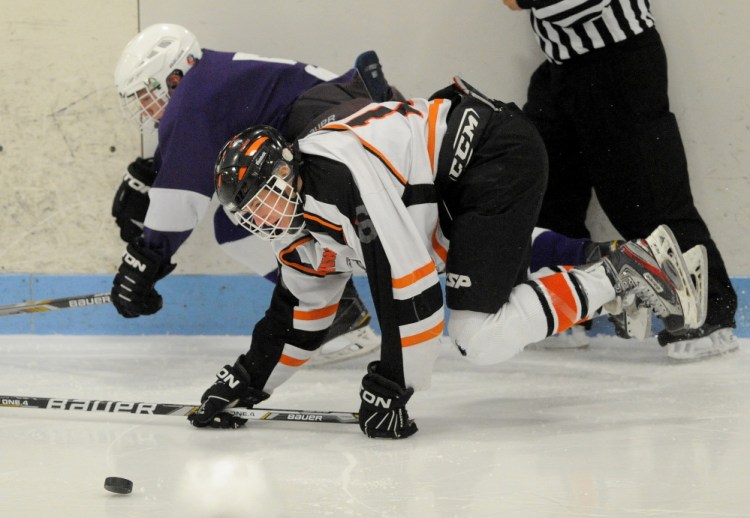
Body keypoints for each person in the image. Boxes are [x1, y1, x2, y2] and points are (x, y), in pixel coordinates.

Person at [187, 78, 704, 438]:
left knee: (476, 334)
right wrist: (248, 383)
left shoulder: (337, 177)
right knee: (455, 255)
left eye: (267, 197)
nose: (265, 216)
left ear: (289, 171)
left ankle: (622, 273)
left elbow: (409, 289)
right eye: (252, 211)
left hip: (491, 153)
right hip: (453, 186)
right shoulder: (298, 223)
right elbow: (301, 314)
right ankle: (603, 262)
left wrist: (392, 385)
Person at [109, 24, 405, 364]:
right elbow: (195, 151)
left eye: (146, 95)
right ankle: (338, 311)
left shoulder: (191, 100)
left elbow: (182, 199)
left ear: (173, 78)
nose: (145, 109)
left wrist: (146, 260)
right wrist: (155, 171)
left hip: (348, 124)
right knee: (240, 222)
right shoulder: (206, 82)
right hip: (353, 113)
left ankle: (336, 311)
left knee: (243, 219)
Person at [501, 0, 738, 360]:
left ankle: (710, 317)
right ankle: (564, 310)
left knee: (647, 193)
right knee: (547, 191)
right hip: (562, 67)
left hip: (618, 62)